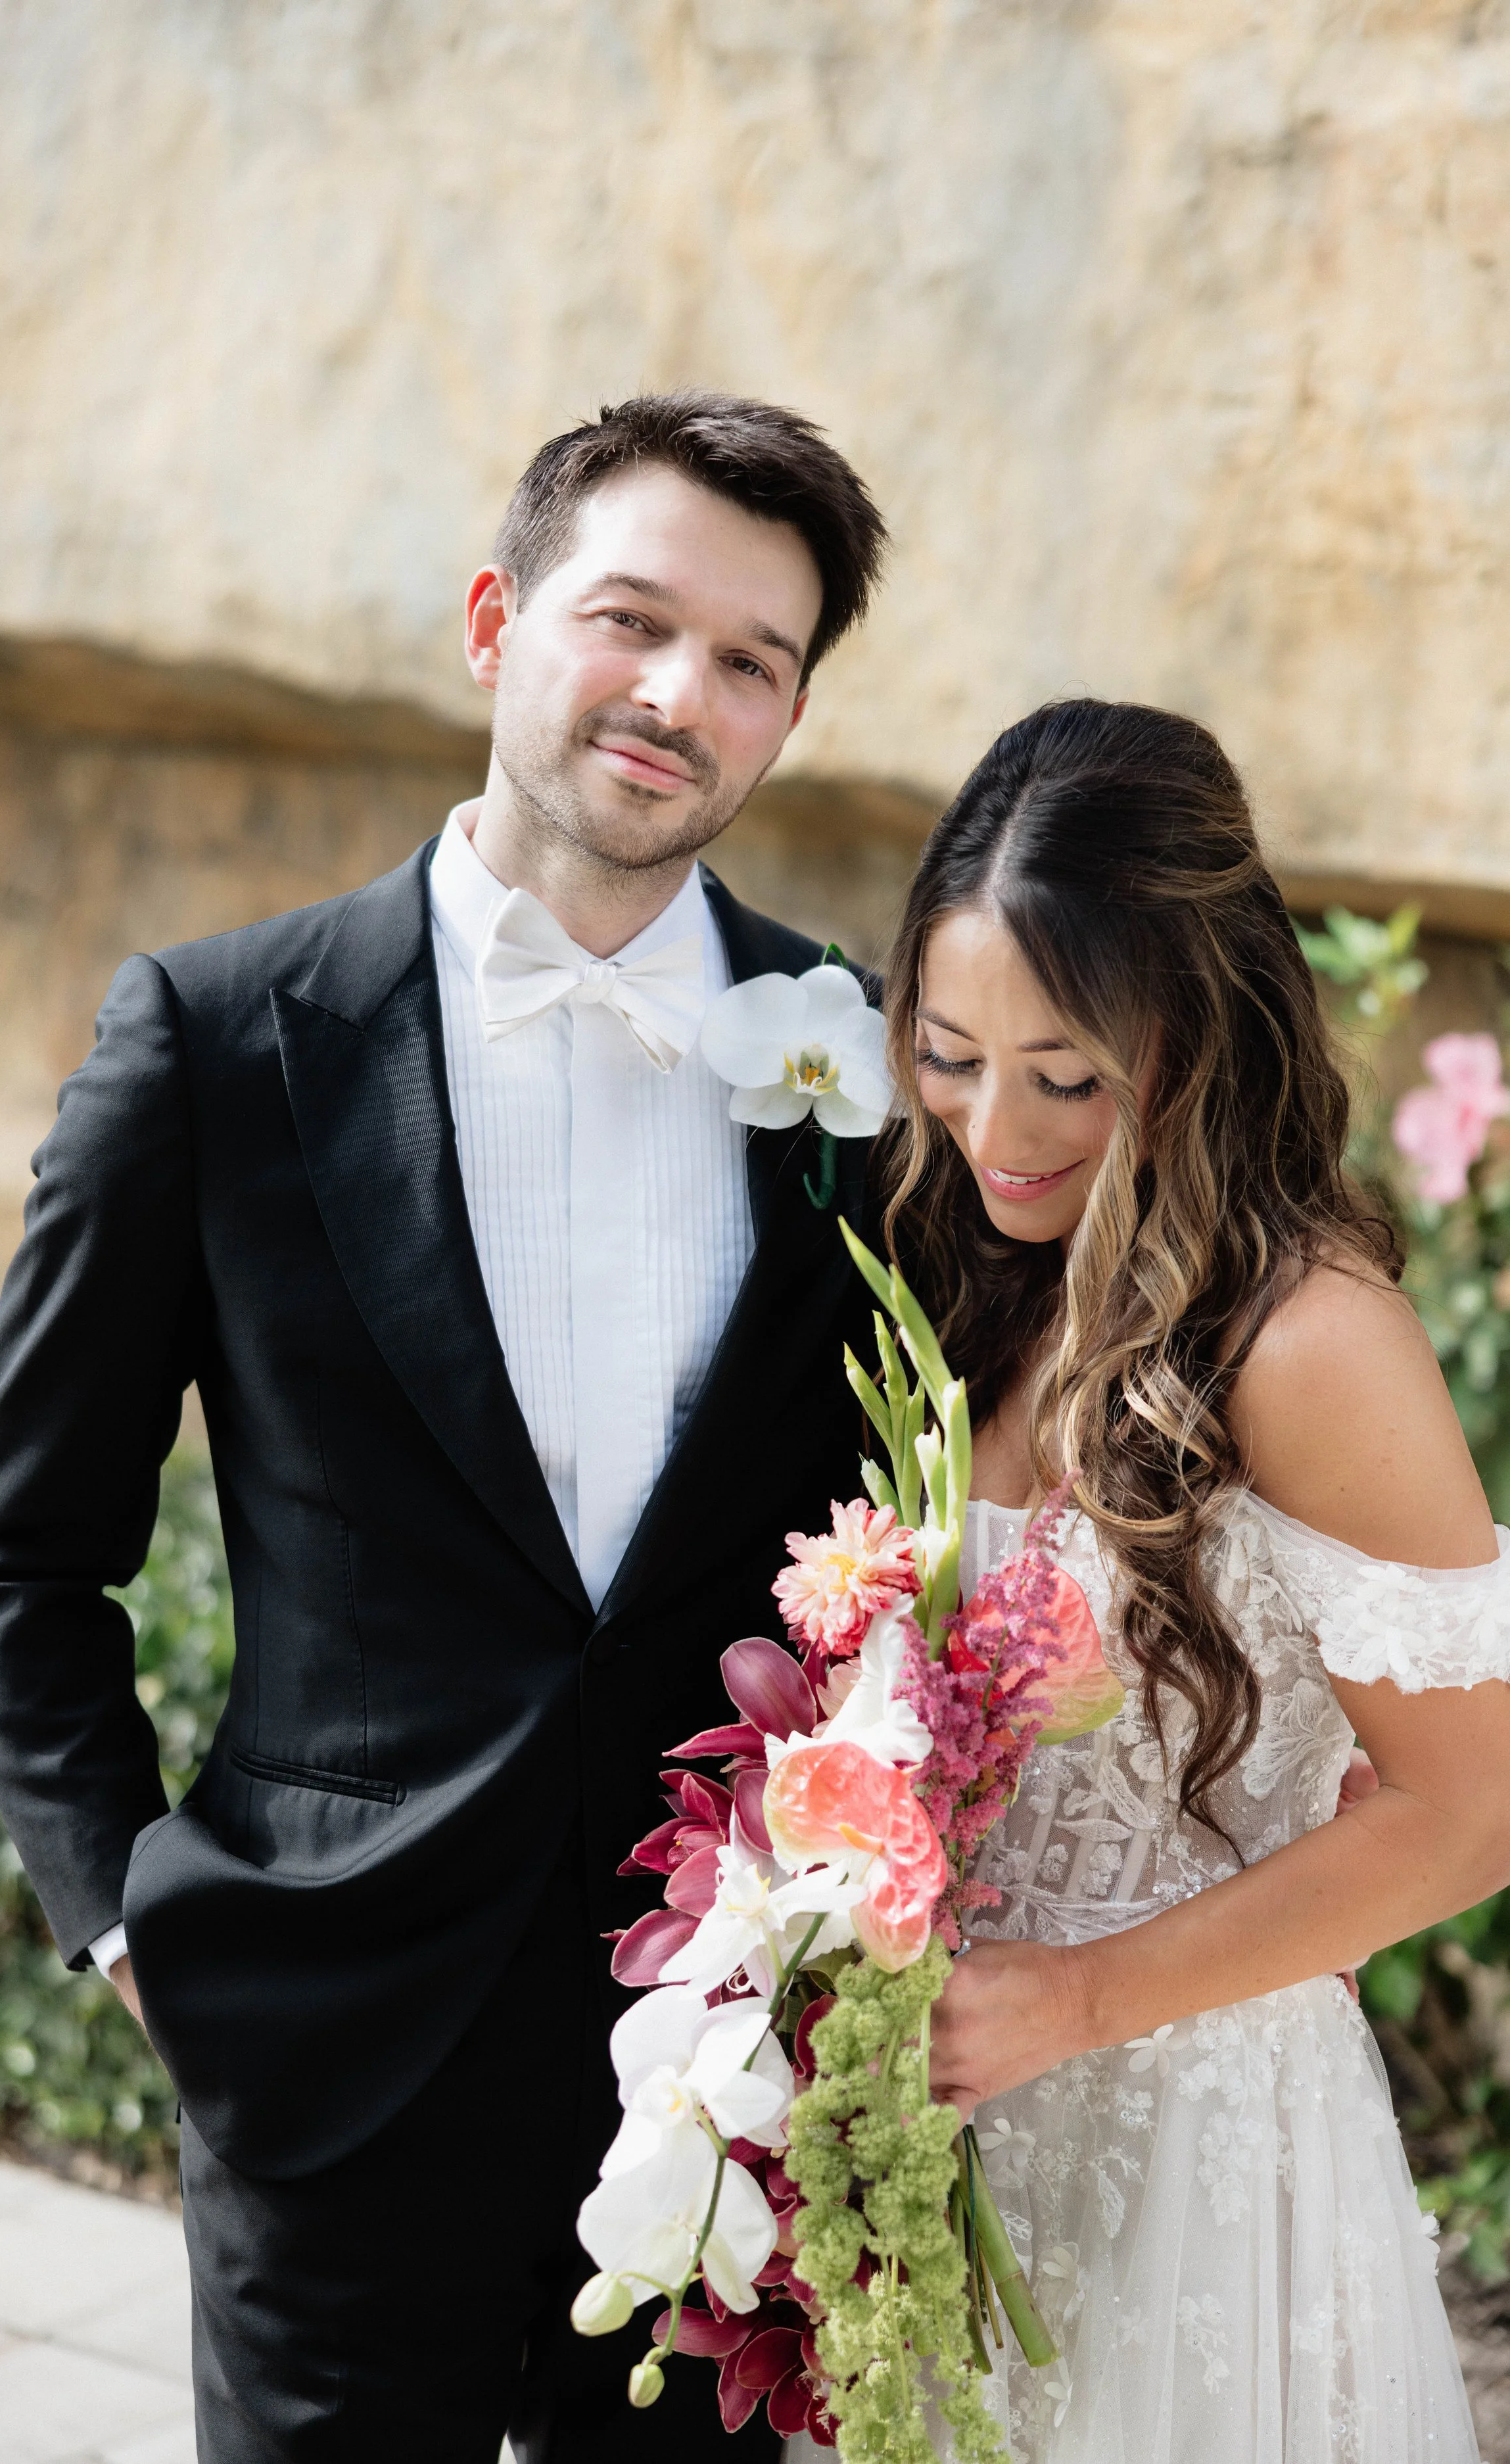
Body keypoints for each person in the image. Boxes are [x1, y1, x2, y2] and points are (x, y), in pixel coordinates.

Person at [0, 392, 889, 2463]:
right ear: (494, 623)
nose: (676, 692)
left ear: (789, 721)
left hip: (719, 2078)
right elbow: (17, 1552)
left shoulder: (855, 1055)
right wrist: (130, 1924)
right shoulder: (207, 1038)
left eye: (750, 660)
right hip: (324, 2059)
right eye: (629, 618)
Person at [876, 698, 1509, 2462]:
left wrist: (1072, 2001)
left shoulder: (1310, 1339)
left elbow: (1470, 1810)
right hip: (934, 2161)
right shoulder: (959, 1259)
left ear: (1197, 1027)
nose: (994, 1127)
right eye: (946, 1048)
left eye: (1064, 1073)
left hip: (1193, 2170)